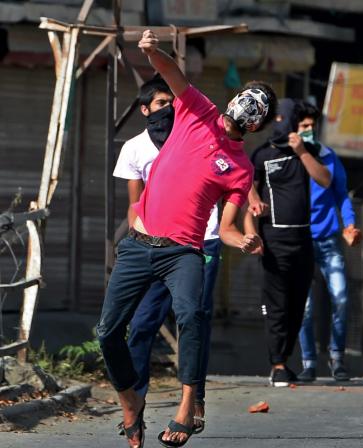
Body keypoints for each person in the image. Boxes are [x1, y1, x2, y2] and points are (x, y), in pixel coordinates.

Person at [96, 29, 275, 448]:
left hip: (184, 253)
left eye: (255, 106)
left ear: (256, 123)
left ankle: (187, 407)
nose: (243, 107)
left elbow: (227, 227)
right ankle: (130, 403)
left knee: (191, 316)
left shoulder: (239, 167)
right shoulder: (197, 110)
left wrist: (243, 242)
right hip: (140, 246)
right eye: (246, 96)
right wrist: (152, 50)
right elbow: (172, 73)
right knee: (107, 332)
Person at [111, 76, 228, 436]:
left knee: (193, 319)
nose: (168, 109)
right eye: (160, 103)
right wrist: (136, 240)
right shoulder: (134, 148)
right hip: (151, 245)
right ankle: (137, 399)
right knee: (142, 324)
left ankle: (194, 400)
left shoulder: (193, 137)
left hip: (199, 242)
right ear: (145, 110)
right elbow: (135, 201)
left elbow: (229, 173)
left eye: (171, 102)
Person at [245, 97, 331, 388]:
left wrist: (301, 151)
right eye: (278, 119)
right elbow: (246, 190)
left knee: (297, 305)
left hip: (303, 239)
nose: (282, 124)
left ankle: (286, 358)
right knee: (277, 304)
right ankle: (277, 364)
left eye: (288, 119)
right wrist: (252, 221)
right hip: (273, 240)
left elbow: (325, 179)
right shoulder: (261, 155)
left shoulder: (309, 150)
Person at [293, 101, 363, 382]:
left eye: (312, 125)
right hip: (299, 242)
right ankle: (309, 361)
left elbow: (341, 194)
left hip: (328, 240)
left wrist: (349, 225)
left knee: (341, 297)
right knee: (305, 306)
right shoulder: (289, 159)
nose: (309, 130)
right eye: (304, 126)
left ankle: (337, 358)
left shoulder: (329, 157)